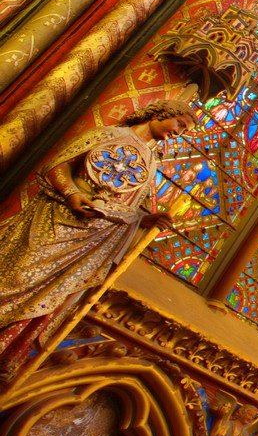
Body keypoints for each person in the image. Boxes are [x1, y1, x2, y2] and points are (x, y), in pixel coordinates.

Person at [0, 99, 194, 377]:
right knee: (17, 273)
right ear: (163, 113)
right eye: (180, 124)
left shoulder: (151, 162)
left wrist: (146, 219)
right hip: (58, 216)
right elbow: (59, 164)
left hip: (93, 239)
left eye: (185, 132)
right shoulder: (111, 134)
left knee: (53, 295)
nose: (179, 133)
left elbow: (127, 207)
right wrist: (72, 194)